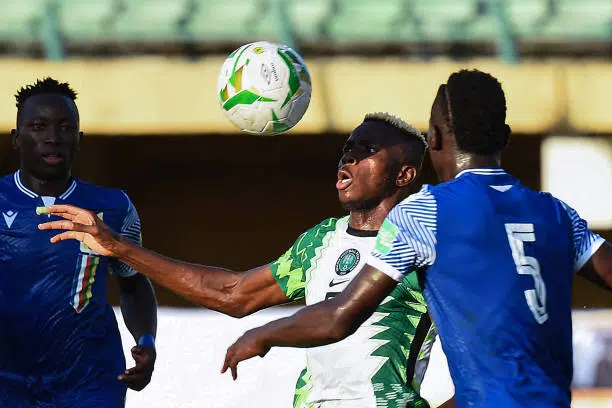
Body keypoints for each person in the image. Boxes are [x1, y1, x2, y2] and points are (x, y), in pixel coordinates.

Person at [215, 70, 610, 407]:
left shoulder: (426, 212)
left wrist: (262, 335)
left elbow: (340, 317)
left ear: (434, 138)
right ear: (505, 138)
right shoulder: (555, 214)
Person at [38, 113, 455, 407]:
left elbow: (486, 345)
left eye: (367, 150)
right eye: (348, 148)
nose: (348, 158)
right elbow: (235, 294)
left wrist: (266, 334)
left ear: (404, 175)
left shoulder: (424, 243)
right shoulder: (321, 240)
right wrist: (118, 246)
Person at [0, 78, 158, 407]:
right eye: (38, 127)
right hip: (9, 380)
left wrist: (146, 339)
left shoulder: (115, 207)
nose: (52, 138)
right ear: (16, 138)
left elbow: (133, 284)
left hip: (90, 380)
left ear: (79, 139)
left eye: (65, 128)